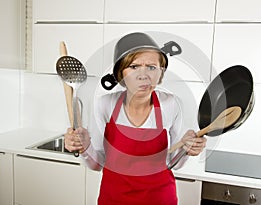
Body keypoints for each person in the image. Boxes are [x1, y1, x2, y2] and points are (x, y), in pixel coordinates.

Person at [64, 32, 207, 205]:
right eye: (134, 66)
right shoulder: (105, 105)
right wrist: (85, 147)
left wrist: (186, 149)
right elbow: (98, 164)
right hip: (114, 198)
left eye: (152, 67)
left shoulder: (171, 105)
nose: (143, 75)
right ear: (120, 73)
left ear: (160, 73)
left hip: (160, 199)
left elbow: (174, 163)